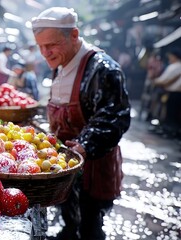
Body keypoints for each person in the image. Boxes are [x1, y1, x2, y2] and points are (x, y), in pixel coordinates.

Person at [31, 7, 131, 240]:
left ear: (74, 35)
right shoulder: (61, 63)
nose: (45, 53)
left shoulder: (103, 69)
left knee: (90, 225)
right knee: (68, 220)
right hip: (66, 165)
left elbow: (115, 116)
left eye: (52, 45)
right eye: (41, 46)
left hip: (94, 168)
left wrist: (84, 145)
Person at [150, 48, 181, 136]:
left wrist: (155, 81)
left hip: (174, 93)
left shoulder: (175, 66)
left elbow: (164, 80)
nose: (169, 59)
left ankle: (169, 130)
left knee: (170, 114)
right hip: (176, 93)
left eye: (170, 57)